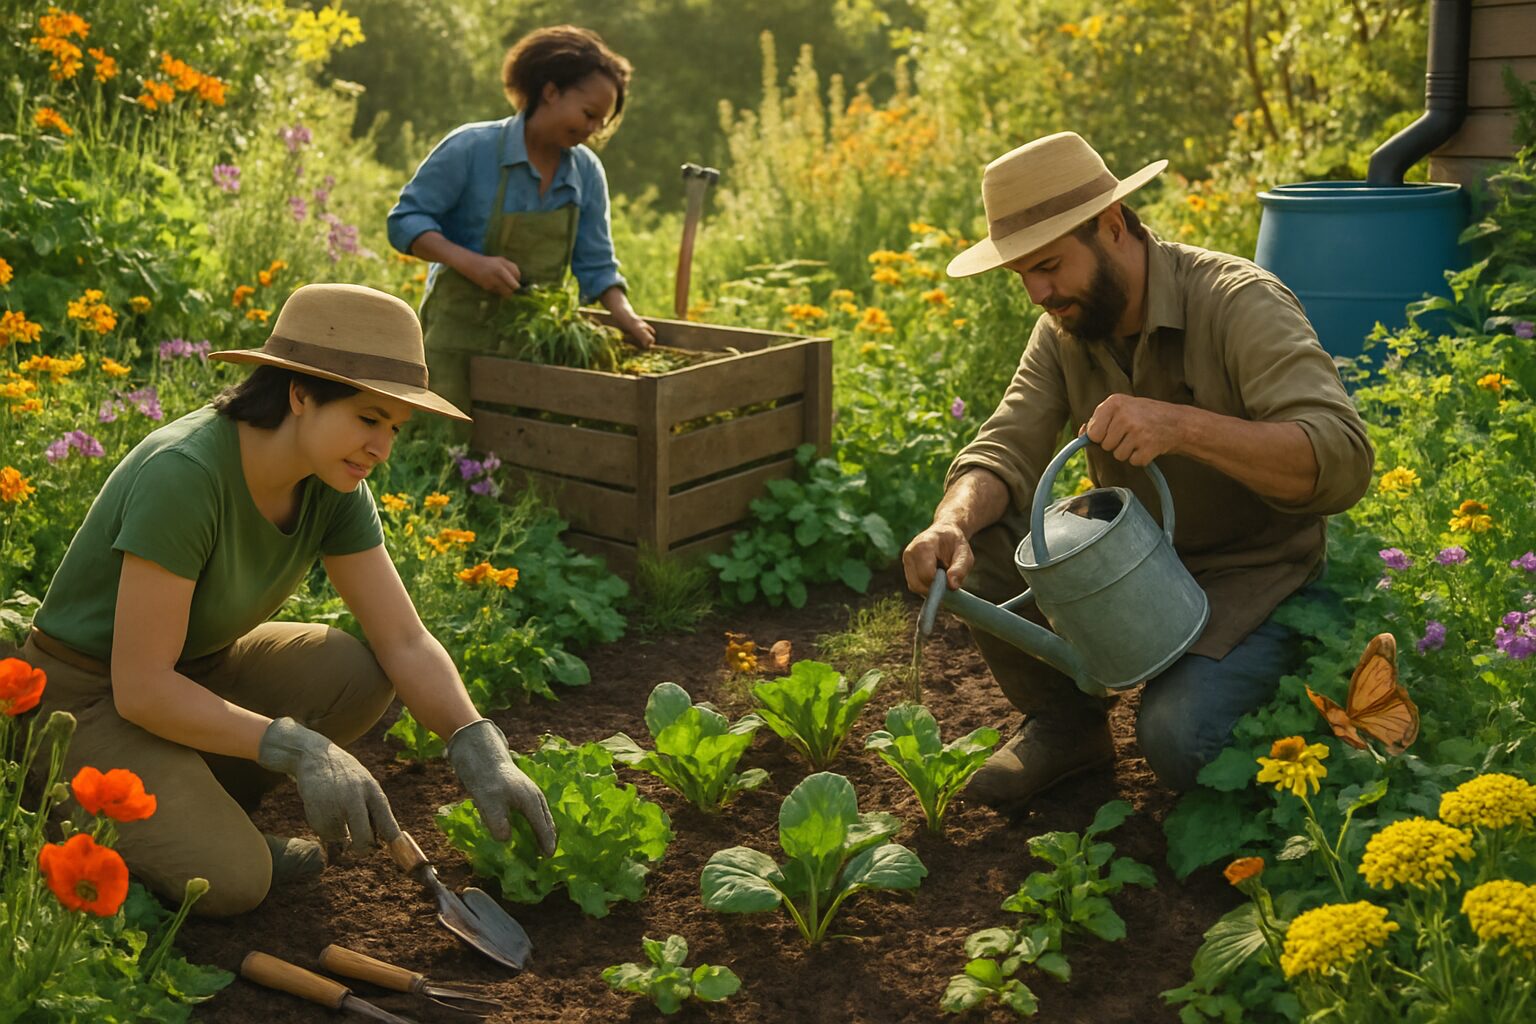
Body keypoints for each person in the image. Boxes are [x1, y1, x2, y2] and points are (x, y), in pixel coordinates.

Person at [24, 283, 557, 917]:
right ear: (299, 393)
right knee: (234, 880)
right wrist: (298, 747)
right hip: (85, 697)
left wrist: (477, 745)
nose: (381, 449)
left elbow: (404, 639)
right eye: (367, 418)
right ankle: (47, 794)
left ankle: (191, 799)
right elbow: (140, 687)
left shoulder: (331, 484)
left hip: (199, 671)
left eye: (393, 427)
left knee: (354, 673)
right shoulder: (186, 475)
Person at [902, 132, 1374, 808]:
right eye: (1024, 276)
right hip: (1136, 568)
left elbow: (1341, 458)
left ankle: (1294, 707)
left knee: (1181, 738)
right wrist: (950, 522)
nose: (1038, 292)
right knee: (990, 524)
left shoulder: (1238, 302)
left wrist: (1180, 426)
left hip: (1258, 579)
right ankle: (1068, 729)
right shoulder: (1063, 330)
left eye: (1050, 266)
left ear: (1113, 226)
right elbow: (1005, 445)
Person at [386, 24, 655, 418]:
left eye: (602, 122)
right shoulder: (471, 148)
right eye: (589, 114)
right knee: (444, 454)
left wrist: (627, 318)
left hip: (532, 344)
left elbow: (596, 264)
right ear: (550, 91)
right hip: (456, 338)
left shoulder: (586, 172)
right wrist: (472, 263)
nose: (595, 129)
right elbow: (405, 222)